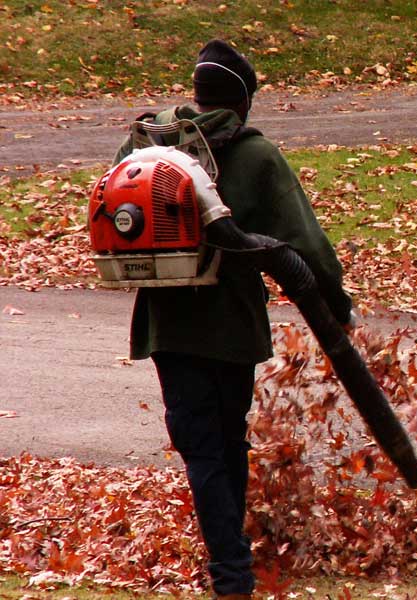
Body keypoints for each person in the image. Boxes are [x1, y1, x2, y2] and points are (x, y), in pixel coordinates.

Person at [112, 39, 355, 599]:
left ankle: (231, 567)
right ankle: (232, 575)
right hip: (232, 324)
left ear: (198, 92)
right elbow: (307, 246)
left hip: (166, 322)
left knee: (202, 446)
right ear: (243, 102)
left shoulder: (145, 142)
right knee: (224, 442)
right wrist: (337, 307)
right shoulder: (255, 154)